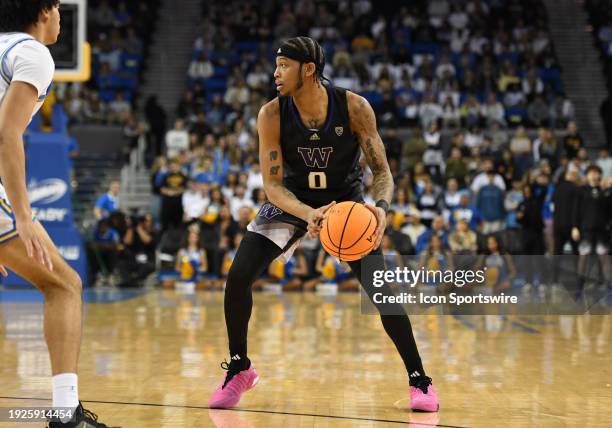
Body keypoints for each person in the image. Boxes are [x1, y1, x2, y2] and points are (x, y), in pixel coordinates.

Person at [209, 37, 439, 412]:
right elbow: (272, 184)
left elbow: (381, 171)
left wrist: (380, 207)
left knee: (381, 292)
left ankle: (420, 380)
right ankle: (240, 367)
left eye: (284, 65)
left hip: (346, 206)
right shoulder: (271, 114)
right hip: (292, 202)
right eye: (276, 65)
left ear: (309, 69)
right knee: (237, 276)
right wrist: (306, 215)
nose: (276, 72)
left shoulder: (354, 107)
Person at [0, 2, 111, 426]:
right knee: (65, 286)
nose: (63, 17)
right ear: (44, 11)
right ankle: (66, 415)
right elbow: (6, 134)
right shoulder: (31, 53)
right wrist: (23, 217)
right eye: (60, 8)